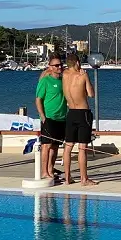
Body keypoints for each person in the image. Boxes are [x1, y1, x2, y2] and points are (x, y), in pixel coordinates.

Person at [62, 53, 98, 186]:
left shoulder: (64, 75)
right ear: (77, 63)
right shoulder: (82, 76)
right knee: (82, 147)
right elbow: (91, 94)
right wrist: (86, 78)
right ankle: (84, 179)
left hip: (71, 112)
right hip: (82, 113)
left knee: (68, 146)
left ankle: (67, 178)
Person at [35, 54, 67, 181]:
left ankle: (50, 169)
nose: (59, 67)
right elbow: (38, 100)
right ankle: (44, 172)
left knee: (55, 146)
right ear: (50, 67)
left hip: (62, 118)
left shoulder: (63, 80)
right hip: (49, 117)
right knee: (46, 146)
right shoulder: (45, 81)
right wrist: (42, 116)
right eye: (56, 65)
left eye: (60, 64)